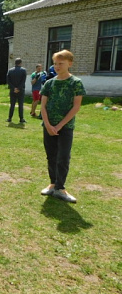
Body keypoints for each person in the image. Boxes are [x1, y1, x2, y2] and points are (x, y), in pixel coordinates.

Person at [39, 50, 85, 203]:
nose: (57, 66)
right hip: (48, 126)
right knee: (51, 155)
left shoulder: (75, 83)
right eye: (55, 63)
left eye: (61, 63)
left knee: (63, 157)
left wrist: (59, 126)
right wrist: (47, 124)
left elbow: (76, 107)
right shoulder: (49, 83)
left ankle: (61, 188)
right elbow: (43, 106)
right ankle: (53, 184)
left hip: (65, 127)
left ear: (69, 64)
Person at [6, 58, 27, 123]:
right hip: (21, 90)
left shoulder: (10, 70)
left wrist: (13, 88)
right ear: (20, 63)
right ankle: (21, 119)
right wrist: (18, 88)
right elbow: (23, 81)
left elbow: (8, 80)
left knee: (12, 105)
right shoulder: (23, 70)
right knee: (20, 105)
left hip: (12, 90)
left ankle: (9, 118)